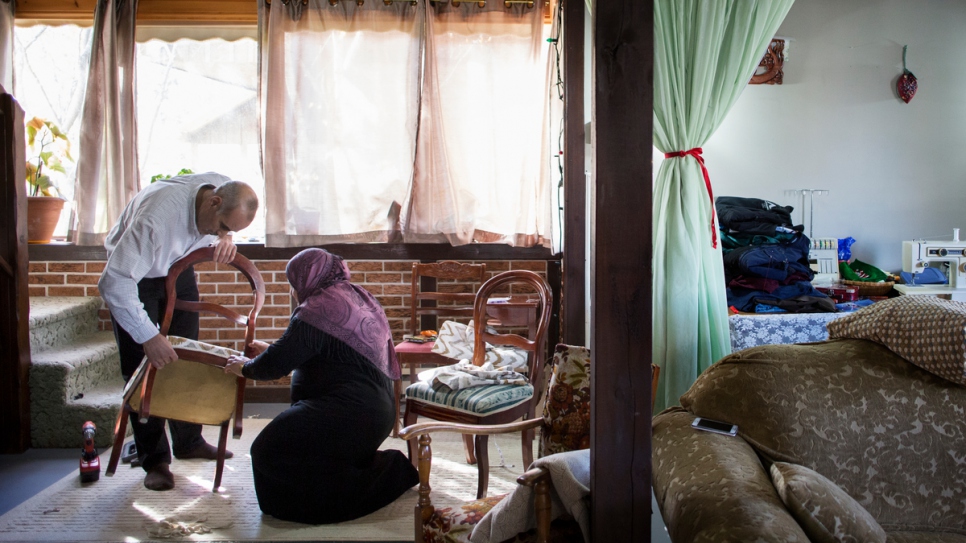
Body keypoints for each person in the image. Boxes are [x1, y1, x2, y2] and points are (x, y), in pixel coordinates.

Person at [224, 248, 419, 524]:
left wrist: (243, 367)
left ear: (308, 278)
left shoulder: (318, 308)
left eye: (294, 284)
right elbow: (324, 354)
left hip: (349, 415)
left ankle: (392, 473)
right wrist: (271, 350)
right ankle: (388, 468)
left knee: (268, 452)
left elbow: (276, 364)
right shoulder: (354, 296)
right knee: (313, 461)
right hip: (372, 415)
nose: (294, 292)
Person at [98, 171, 259, 491]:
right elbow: (113, 283)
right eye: (225, 227)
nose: (222, 235)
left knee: (190, 355)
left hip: (177, 265)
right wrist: (148, 336)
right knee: (142, 366)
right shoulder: (155, 220)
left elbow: (228, 210)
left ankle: (189, 441)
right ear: (213, 202)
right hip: (135, 276)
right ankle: (155, 459)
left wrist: (226, 237)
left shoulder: (221, 188)